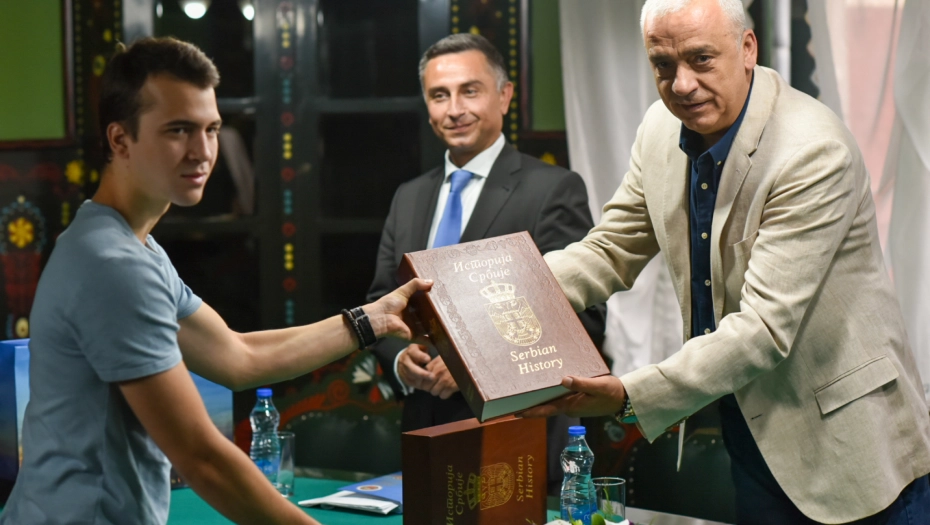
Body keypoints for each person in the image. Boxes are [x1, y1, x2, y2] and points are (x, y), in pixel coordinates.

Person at [520, 0, 930, 523]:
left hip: (850, 441)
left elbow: (763, 329)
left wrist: (627, 394)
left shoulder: (813, 149)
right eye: (663, 65)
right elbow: (610, 249)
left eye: (701, 59)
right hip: (750, 426)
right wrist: (496, 299)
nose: (682, 85)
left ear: (748, 48)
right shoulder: (660, 128)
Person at [0, 37, 431, 525]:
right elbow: (201, 456)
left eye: (211, 129)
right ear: (120, 140)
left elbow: (238, 356)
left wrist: (372, 319)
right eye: (178, 130)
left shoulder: (127, 244)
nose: (203, 152)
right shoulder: (112, 264)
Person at [366, 33, 606, 494]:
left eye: (470, 91)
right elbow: (380, 303)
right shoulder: (408, 196)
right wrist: (399, 359)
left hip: (518, 436)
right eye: (440, 95)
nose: (454, 109)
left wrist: (473, 368)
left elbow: (584, 320)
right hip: (424, 430)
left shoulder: (552, 189)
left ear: (504, 95)